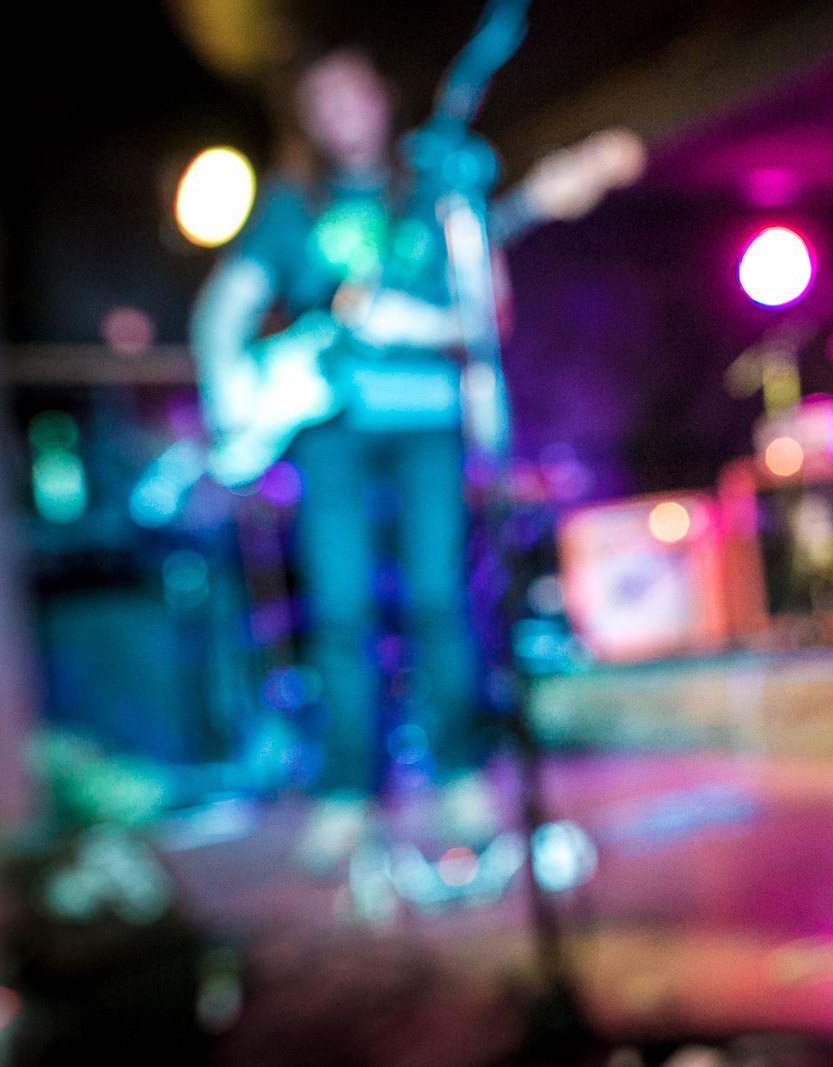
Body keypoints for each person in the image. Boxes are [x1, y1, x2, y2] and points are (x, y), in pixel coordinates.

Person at [191, 48, 498, 863]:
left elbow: (487, 311)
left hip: (428, 425)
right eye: (321, 102)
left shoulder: (436, 190)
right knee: (339, 611)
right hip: (329, 433)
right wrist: (231, 402)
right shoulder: (291, 205)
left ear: (382, 98)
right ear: (307, 120)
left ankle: (461, 777)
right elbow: (224, 306)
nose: (341, 114)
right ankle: (346, 791)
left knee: (439, 600)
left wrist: (420, 325)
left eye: (351, 95)